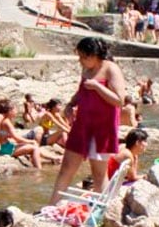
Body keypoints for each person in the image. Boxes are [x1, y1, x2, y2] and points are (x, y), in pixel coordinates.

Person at [49, 37, 126, 205]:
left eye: (83, 57)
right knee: (66, 168)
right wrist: (71, 104)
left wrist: (98, 87)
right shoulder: (86, 69)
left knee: (99, 174)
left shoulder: (111, 69)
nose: (80, 60)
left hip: (102, 128)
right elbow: (81, 92)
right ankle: (51, 206)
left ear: (94, 55)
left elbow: (119, 100)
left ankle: (102, 212)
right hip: (82, 125)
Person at [0, 98, 44, 169]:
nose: (16, 112)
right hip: (7, 149)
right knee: (34, 148)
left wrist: (7, 135)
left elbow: (0, 133)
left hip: (6, 147)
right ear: (9, 111)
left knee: (31, 145)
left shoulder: (4, 120)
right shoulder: (7, 122)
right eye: (15, 110)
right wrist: (31, 141)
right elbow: (16, 138)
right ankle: (38, 169)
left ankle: (36, 161)